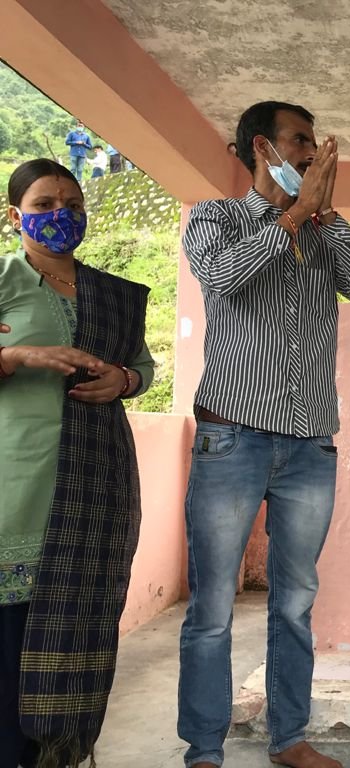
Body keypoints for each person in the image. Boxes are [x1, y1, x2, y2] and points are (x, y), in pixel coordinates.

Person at [178, 101, 350, 768]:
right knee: (213, 607)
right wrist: (290, 218)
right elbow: (219, 276)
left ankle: (289, 738)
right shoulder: (215, 217)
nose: (311, 153)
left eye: (315, 144)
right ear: (263, 149)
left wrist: (325, 215)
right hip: (231, 442)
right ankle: (204, 751)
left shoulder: (322, 231)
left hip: (309, 448)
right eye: (300, 141)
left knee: (295, 604)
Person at [0, 158, 153, 768]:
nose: (60, 215)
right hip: (17, 483)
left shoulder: (113, 294)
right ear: (16, 216)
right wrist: (18, 356)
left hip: (96, 482)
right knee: (12, 635)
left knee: (81, 626)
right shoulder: (5, 280)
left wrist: (125, 380)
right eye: (44, 205)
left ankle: (60, 753)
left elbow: (141, 364)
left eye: (72, 204)